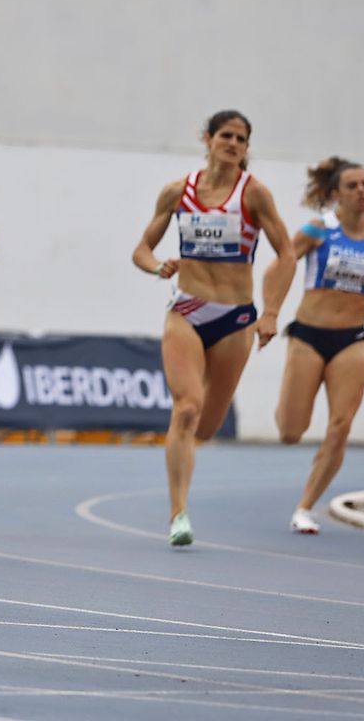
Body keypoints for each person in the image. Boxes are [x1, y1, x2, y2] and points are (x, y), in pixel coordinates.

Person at [132, 109, 293, 547]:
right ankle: (178, 514)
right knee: (186, 408)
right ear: (207, 138)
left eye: (241, 138)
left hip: (235, 318)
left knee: (205, 426)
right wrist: (157, 266)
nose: (233, 144)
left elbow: (286, 254)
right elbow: (141, 249)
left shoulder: (254, 194)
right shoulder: (177, 192)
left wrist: (271, 312)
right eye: (226, 135)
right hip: (186, 309)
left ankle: (189, 459)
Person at [273, 157, 364, 534]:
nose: (362, 191)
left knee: (340, 426)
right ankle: (289, 411)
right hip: (308, 336)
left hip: (351, 341)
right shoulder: (318, 229)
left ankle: (304, 507)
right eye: (352, 186)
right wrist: (269, 312)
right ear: (335, 194)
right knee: (291, 431)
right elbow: (283, 263)